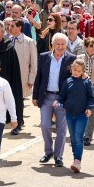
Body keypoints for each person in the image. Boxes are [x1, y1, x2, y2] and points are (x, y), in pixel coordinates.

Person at [33, 33, 76, 167]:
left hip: (62, 97)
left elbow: (74, 79)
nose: (60, 46)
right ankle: (48, 152)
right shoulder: (44, 57)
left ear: (66, 45)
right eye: (57, 44)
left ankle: (58, 156)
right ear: (52, 44)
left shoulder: (71, 58)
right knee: (45, 125)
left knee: (61, 129)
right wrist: (35, 96)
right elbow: (38, 77)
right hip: (46, 96)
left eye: (63, 44)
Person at [55, 59, 94, 173]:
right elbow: (62, 97)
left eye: (79, 70)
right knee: (73, 138)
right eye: (74, 70)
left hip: (82, 115)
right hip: (69, 114)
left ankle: (77, 161)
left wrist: (89, 108)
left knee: (78, 137)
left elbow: (91, 97)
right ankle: (75, 159)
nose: (76, 72)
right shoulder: (67, 81)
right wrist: (58, 102)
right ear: (71, 69)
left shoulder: (87, 82)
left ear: (83, 71)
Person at [9, 19, 38, 99]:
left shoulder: (29, 42)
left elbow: (34, 63)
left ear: (19, 28)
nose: (9, 28)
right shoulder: (7, 40)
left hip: (22, 78)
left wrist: (31, 79)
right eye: (9, 25)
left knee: (19, 101)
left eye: (12, 26)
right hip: (9, 77)